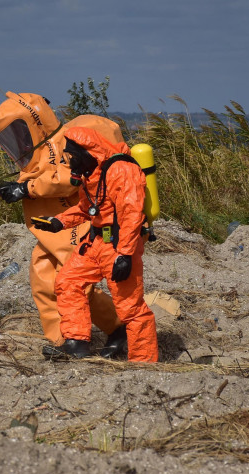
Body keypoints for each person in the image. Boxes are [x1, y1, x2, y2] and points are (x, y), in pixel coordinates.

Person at [0, 92, 127, 357]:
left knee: (74, 284)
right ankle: (64, 340)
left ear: (35, 121)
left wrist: (25, 188)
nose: (16, 142)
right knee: (44, 282)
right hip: (51, 231)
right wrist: (16, 189)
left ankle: (92, 337)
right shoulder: (40, 155)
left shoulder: (67, 142)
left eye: (17, 131)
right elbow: (41, 181)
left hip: (75, 227)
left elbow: (67, 179)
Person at [32, 126, 158, 362]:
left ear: (84, 151)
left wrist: (125, 255)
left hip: (119, 244)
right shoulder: (91, 174)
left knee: (130, 307)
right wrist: (59, 222)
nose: (67, 160)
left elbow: (131, 214)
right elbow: (86, 209)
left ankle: (144, 362)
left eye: (70, 155)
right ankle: (76, 342)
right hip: (97, 241)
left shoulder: (121, 170)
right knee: (69, 281)